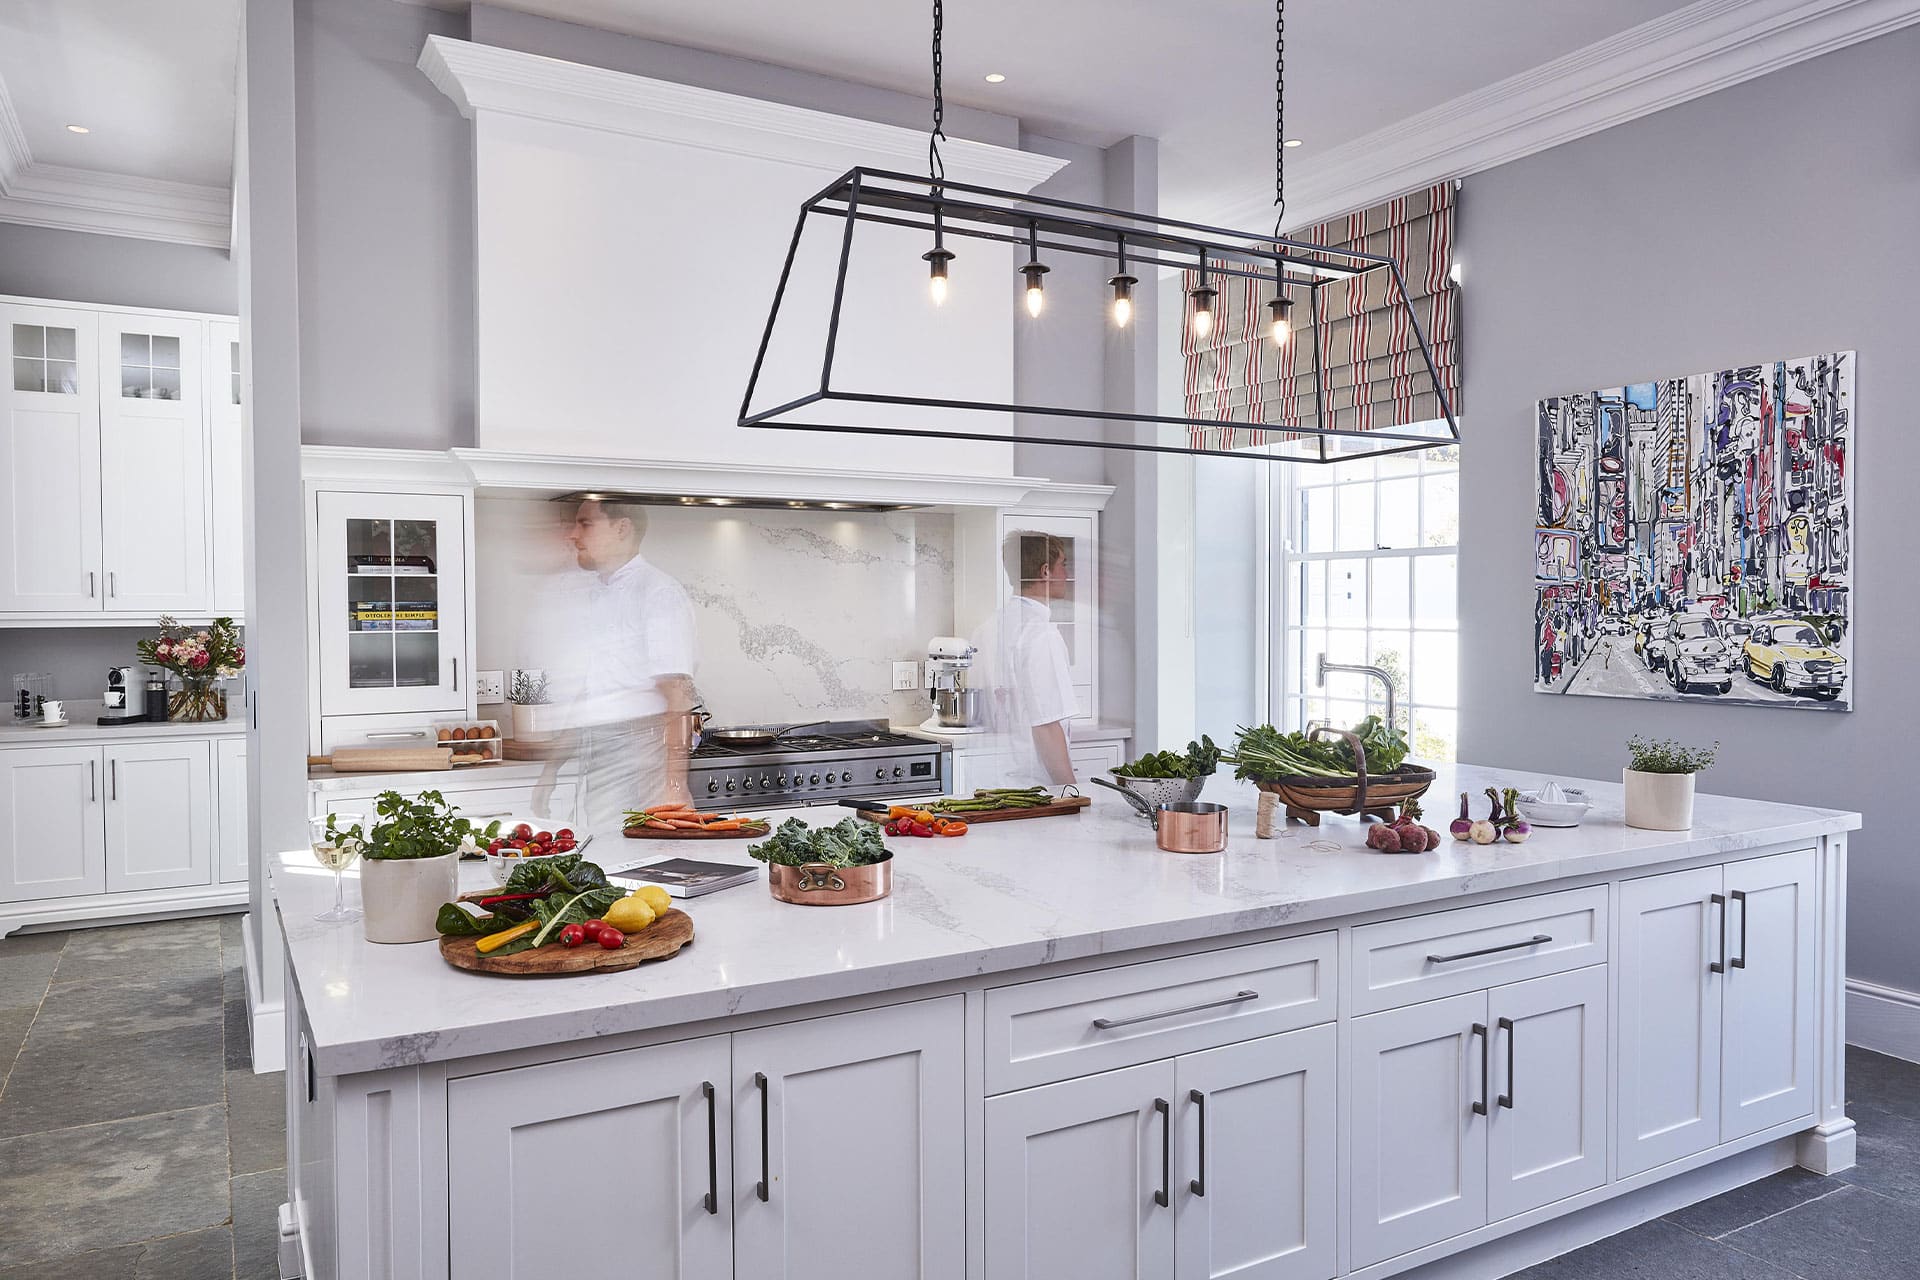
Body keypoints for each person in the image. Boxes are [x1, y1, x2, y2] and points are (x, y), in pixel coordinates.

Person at [535, 499, 699, 829]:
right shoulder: (601, 593)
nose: (573, 534)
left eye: (585, 524)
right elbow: (591, 692)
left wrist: (674, 785)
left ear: (622, 528)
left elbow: (678, 695)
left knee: (643, 853)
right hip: (602, 752)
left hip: (643, 757)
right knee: (606, 849)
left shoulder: (658, 592)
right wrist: (551, 769)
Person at [974, 531, 1079, 787]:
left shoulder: (987, 628)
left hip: (991, 780)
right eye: (1063, 565)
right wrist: (1073, 792)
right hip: (1034, 787)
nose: (1066, 574)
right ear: (1046, 572)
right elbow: (1046, 726)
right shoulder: (1042, 635)